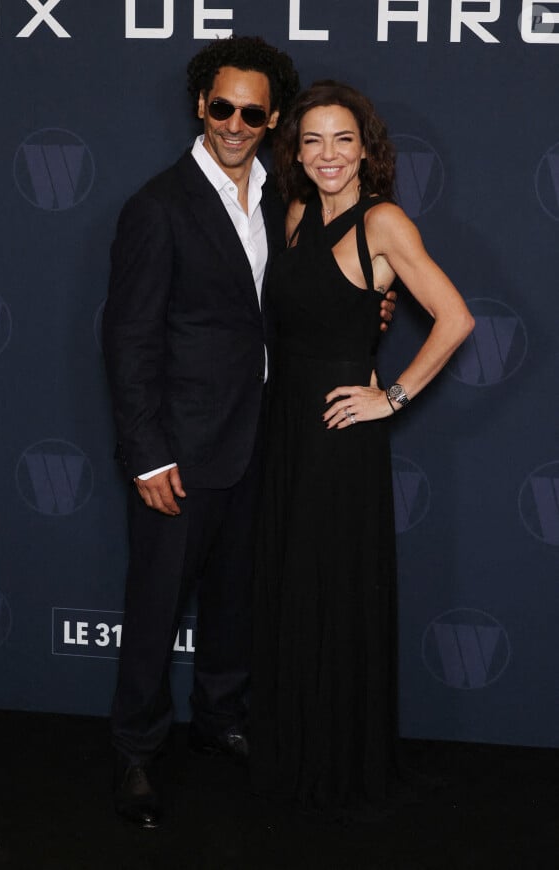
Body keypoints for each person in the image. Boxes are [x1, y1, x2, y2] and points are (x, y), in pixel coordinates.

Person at [103, 41, 396, 829]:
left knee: (238, 600)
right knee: (158, 602)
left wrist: (369, 308)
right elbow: (127, 338)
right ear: (201, 105)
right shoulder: (158, 206)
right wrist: (147, 451)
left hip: (266, 440)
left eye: (254, 112)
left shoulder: (283, 201)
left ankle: (220, 718)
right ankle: (136, 752)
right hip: (182, 449)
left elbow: (305, 297)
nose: (237, 124)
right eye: (223, 107)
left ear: (273, 121)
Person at [250, 80, 475, 813]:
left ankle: (341, 759)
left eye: (342, 138)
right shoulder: (291, 215)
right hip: (283, 424)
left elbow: (455, 319)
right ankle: (294, 747)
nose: (328, 154)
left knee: (332, 587)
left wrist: (391, 395)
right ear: (297, 150)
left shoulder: (385, 223)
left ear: (366, 147)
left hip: (339, 438)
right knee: (289, 584)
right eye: (312, 139)